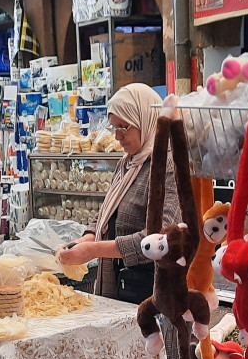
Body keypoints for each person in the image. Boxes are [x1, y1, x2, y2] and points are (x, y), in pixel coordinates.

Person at [58, 83, 177, 304]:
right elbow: (108, 211)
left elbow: (161, 237)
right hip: (119, 286)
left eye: (124, 127)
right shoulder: (128, 162)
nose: (117, 136)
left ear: (145, 120)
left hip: (150, 292)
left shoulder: (167, 165)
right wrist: (86, 238)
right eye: (114, 127)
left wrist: (94, 250)